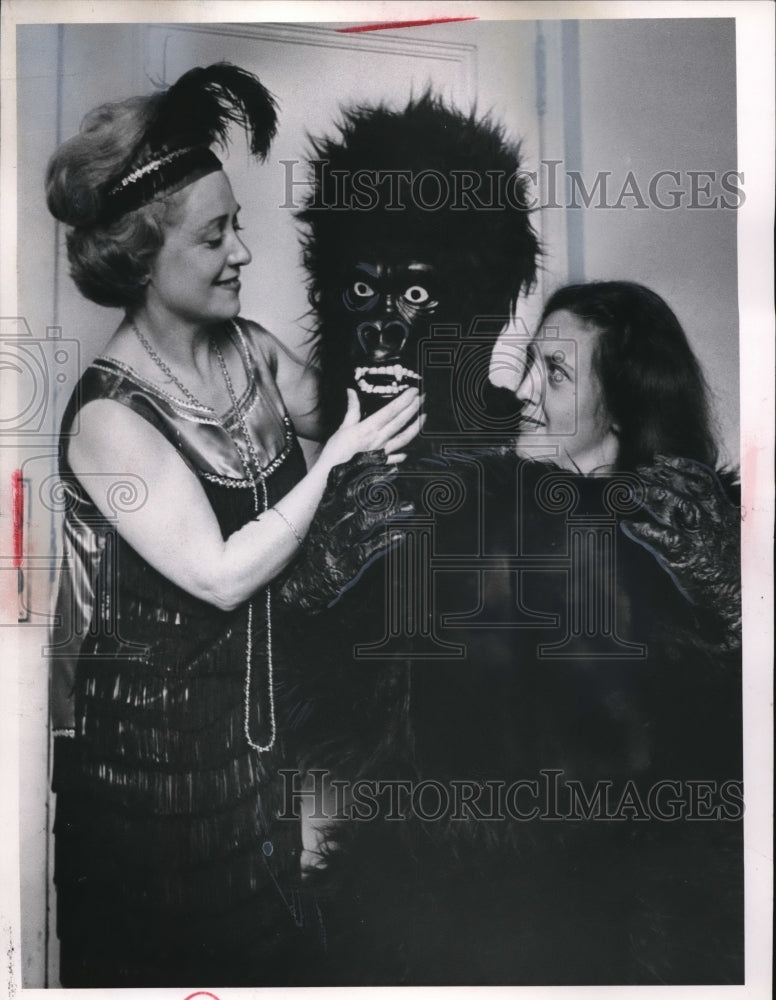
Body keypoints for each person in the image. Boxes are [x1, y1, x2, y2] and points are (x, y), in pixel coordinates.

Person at [46, 63, 422, 988]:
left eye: (237, 226)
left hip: (255, 741)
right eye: (215, 236)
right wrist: (336, 458)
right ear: (142, 256)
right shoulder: (107, 419)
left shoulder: (250, 353)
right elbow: (220, 573)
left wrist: (391, 363)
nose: (242, 253)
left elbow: (345, 413)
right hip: (146, 769)